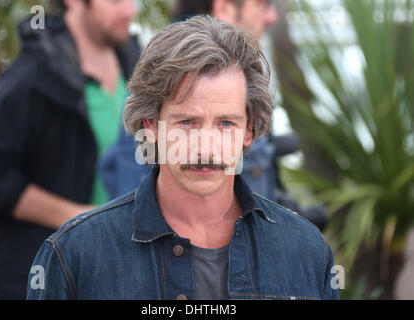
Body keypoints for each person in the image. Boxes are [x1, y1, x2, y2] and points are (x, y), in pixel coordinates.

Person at [27, 16, 339, 300]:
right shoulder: (75, 256)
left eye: (225, 123)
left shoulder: (306, 250)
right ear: (151, 125)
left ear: (249, 131)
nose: (206, 147)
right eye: (187, 122)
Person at [0, 0, 138, 299]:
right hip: (40, 277)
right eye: (115, 0)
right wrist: (79, 218)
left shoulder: (139, 69)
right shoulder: (31, 77)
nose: (129, 11)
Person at [171, 0, 329, 230]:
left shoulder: (238, 69)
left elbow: (252, 185)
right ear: (225, 8)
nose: (271, 17)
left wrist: (293, 219)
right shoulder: (171, 75)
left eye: (226, 122)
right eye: (261, 5)